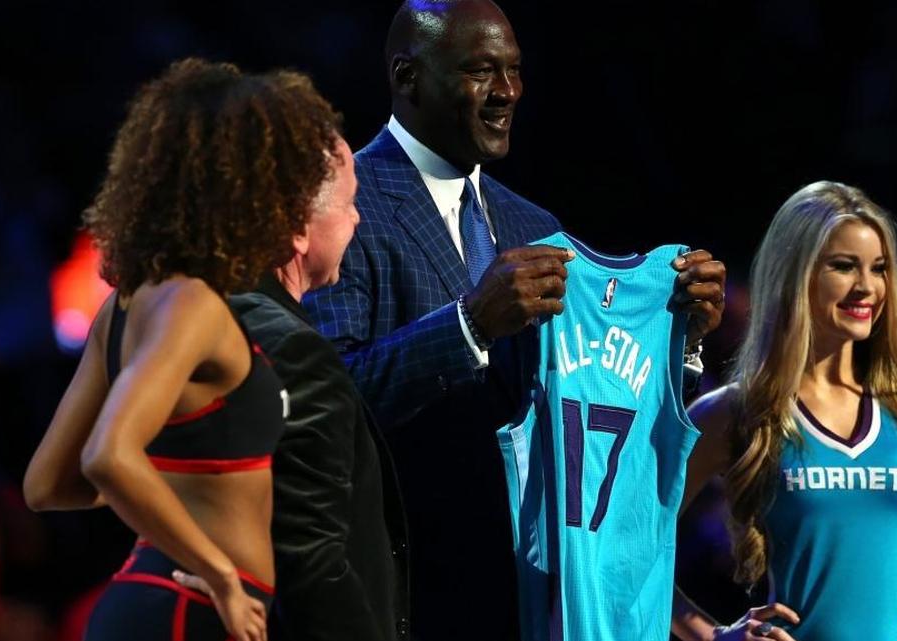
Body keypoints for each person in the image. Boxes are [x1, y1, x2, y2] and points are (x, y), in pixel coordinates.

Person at [302, 1, 725, 638]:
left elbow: (592, 414)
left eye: (515, 70)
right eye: (480, 71)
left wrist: (680, 350)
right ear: (407, 76)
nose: (507, 93)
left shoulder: (534, 226)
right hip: (402, 600)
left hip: (530, 603)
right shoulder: (344, 207)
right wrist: (469, 324)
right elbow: (326, 402)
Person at [22, 58, 343, 641]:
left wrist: (171, 486)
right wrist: (220, 572)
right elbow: (107, 456)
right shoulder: (191, 303)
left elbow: (48, 483)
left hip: (149, 601)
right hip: (195, 609)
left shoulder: (122, 308)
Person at [670, 181, 897, 641]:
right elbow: (629, 543)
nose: (867, 287)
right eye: (844, 266)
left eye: (879, 268)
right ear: (797, 274)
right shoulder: (738, 410)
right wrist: (712, 637)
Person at [218, 138, 409, 641]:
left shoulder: (203, 317)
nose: (358, 221)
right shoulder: (293, 349)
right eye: (349, 204)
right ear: (300, 228)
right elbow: (311, 561)